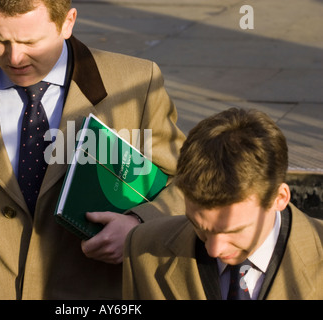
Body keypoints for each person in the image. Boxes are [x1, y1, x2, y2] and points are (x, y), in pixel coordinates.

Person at [0, 0, 186, 299]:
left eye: (30, 42)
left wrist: (138, 224)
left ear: (68, 23)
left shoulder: (137, 82)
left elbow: (188, 186)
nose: (14, 58)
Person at [123, 108, 323, 300]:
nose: (214, 249)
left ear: (279, 198)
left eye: (233, 231)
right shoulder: (143, 249)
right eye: (198, 226)